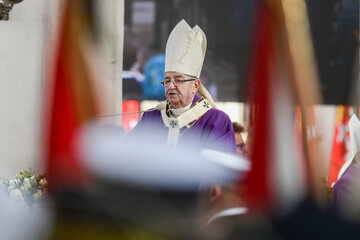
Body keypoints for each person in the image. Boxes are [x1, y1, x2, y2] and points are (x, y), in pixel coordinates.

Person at [129, 20, 235, 153]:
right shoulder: (151, 118)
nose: (171, 86)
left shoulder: (216, 121)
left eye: (178, 80)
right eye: (167, 80)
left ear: (195, 85)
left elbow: (221, 169)